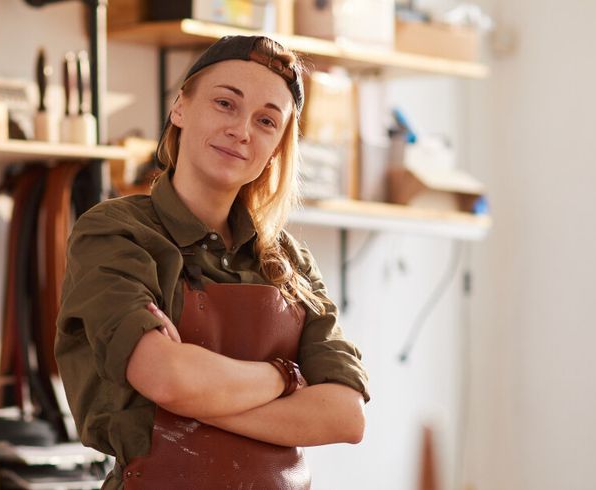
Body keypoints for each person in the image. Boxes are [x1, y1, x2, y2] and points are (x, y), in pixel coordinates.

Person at [55, 35, 370, 490]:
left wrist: (194, 398)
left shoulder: (290, 262)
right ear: (180, 107)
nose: (242, 130)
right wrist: (286, 375)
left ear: (276, 149)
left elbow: (345, 415)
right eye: (226, 103)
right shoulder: (115, 233)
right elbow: (168, 377)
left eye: (266, 121)